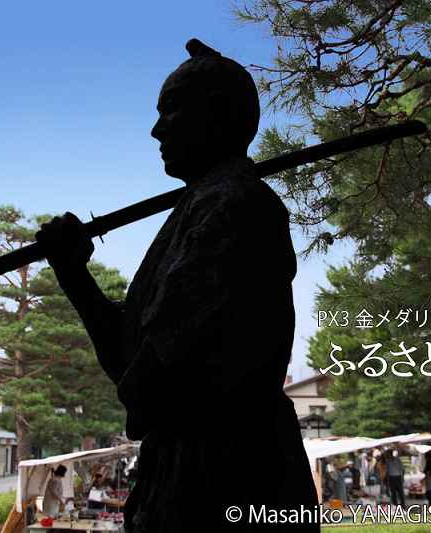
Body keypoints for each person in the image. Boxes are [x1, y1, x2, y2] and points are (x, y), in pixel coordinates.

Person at [35, 38, 318, 533]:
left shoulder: (235, 208)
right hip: (191, 473)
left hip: (228, 479)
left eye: (172, 111)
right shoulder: (197, 209)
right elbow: (134, 362)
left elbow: (146, 381)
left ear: (217, 116)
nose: (155, 129)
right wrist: (73, 271)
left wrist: (76, 275)